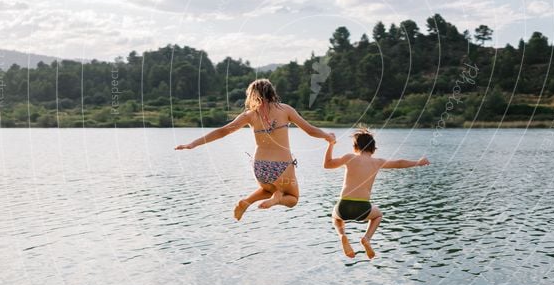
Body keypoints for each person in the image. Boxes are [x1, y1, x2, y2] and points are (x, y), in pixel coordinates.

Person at [175, 78, 334, 220]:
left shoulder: (250, 115)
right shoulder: (285, 110)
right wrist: (328, 136)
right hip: (282, 167)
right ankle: (277, 198)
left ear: (252, 95)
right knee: (292, 199)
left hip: (259, 168)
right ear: (272, 92)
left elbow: (222, 131)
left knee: (268, 188)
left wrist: (193, 144)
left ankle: (246, 201)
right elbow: (310, 130)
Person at [324, 128, 430, 259]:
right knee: (378, 215)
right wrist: (418, 162)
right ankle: (367, 238)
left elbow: (327, 165)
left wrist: (330, 144)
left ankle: (342, 235)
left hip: (344, 205)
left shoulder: (349, 158)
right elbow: (399, 163)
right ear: (374, 149)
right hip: (363, 208)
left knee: (335, 216)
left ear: (355, 147)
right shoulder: (377, 162)